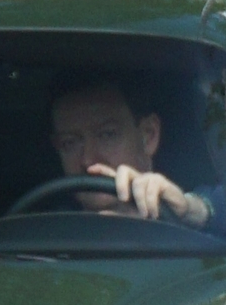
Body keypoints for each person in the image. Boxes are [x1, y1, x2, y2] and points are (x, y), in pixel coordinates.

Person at [47, 74, 216, 227]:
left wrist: (191, 210)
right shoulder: (44, 235)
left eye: (107, 135)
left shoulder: (199, 239)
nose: (88, 160)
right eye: (69, 143)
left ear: (148, 135)